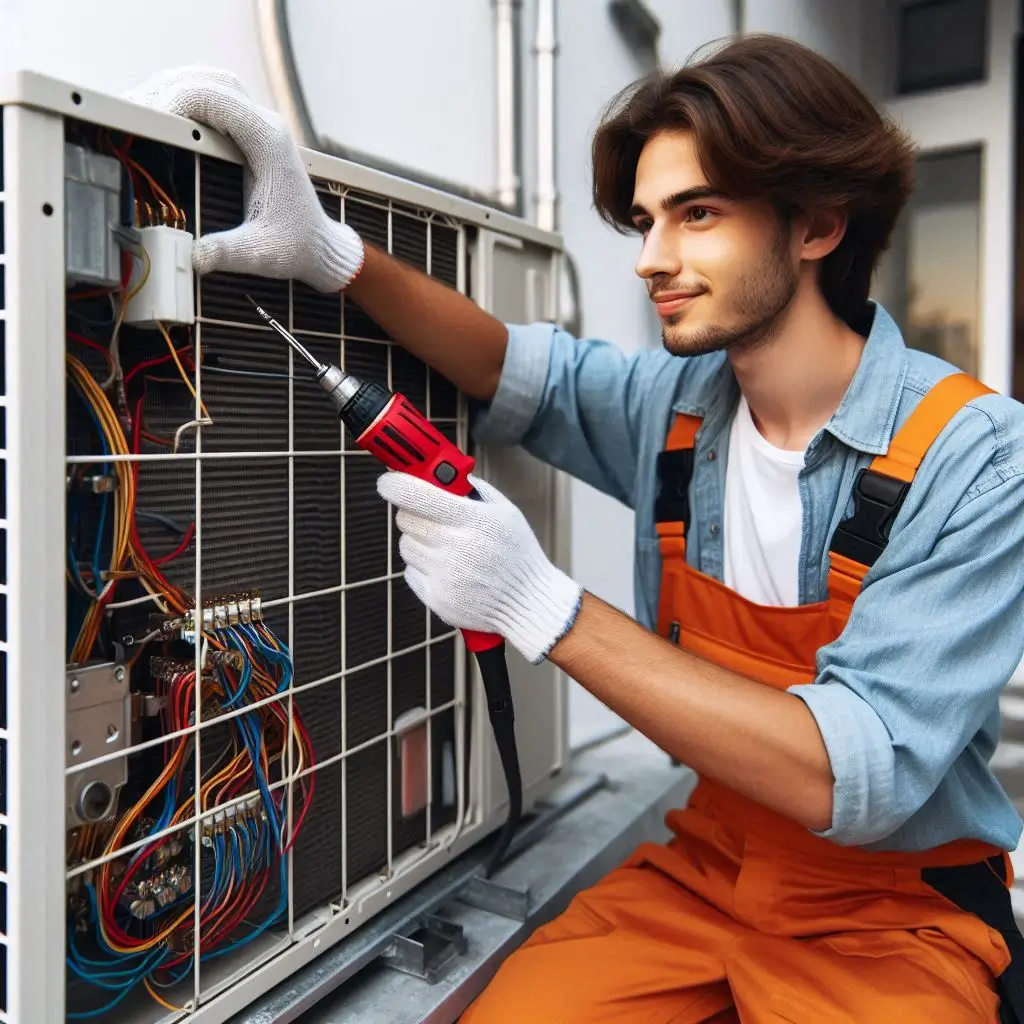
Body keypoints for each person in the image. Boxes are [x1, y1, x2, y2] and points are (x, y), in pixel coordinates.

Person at [133, 33, 1024, 1023]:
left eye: (696, 214)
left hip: (892, 913)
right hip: (708, 868)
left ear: (816, 224)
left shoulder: (974, 455)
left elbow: (861, 768)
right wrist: (335, 257)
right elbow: (514, 369)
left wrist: (541, 603)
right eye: (645, 221)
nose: (651, 259)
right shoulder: (680, 406)